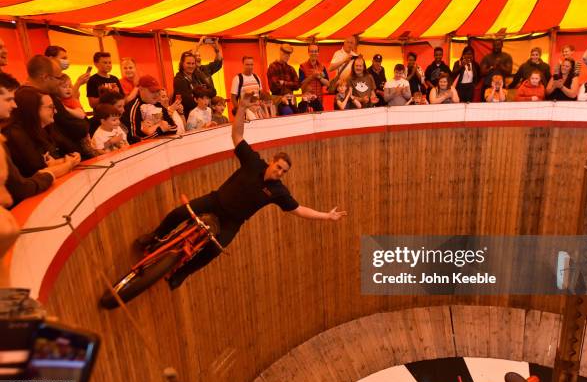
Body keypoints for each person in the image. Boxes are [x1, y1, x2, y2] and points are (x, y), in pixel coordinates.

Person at [137, 95, 347, 290]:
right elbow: (236, 134)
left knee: (214, 251)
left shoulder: (278, 191)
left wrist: (327, 216)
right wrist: (242, 109)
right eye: (279, 166)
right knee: (180, 213)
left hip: (233, 222)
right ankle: (155, 236)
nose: (279, 172)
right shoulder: (253, 162)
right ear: (272, 161)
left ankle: (181, 274)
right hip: (215, 201)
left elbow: (299, 210)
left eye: (284, 171)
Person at [0, 72, 59, 207]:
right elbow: (20, 188)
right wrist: (50, 174)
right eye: (8, 100)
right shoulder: (12, 134)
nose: (14, 105)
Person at [22, 55, 92, 159]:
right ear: (45, 77)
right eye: (58, 77)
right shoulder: (31, 97)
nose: (60, 81)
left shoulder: (47, 95)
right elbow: (72, 126)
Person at [3, 87, 80, 178]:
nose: (55, 111)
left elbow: (53, 160)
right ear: (33, 109)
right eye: (51, 107)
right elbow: (38, 171)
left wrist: (68, 159)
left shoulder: (43, 128)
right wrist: (68, 163)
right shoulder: (14, 134)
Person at [121, 75, 177, 144]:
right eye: (152, 91)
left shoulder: (158, 105)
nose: (156, 95)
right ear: (141, 89)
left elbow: (174, 128)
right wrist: (160, 129)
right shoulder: (133, 108)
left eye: (157, 91)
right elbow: (135, 139)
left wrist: (157, 128)